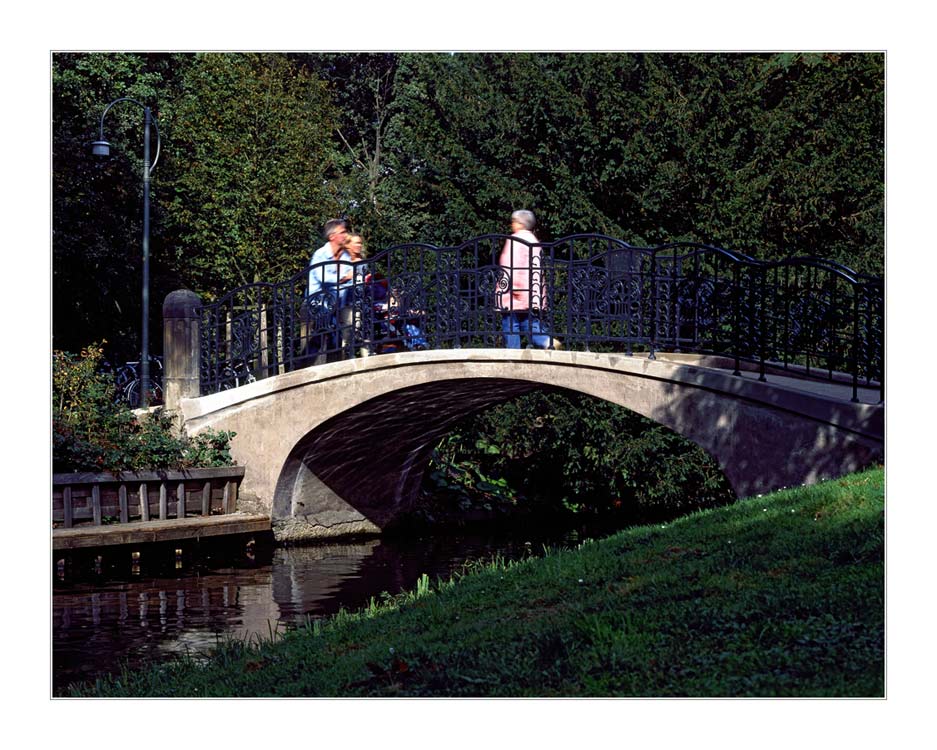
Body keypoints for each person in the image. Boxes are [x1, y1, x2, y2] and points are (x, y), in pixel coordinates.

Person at [496, 209, 558, 349]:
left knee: (510, 324)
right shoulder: (534, 241)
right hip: (531, 292)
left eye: (514, 221)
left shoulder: (515, 240)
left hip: (514, 291)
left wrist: (514, 286)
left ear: (520, 223)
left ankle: (514, 354)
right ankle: (546, 341)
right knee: (527, 321)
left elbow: (511, 264)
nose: (512, 224)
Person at [305, 219, 360, 362]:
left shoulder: (346, 256)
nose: (346, 235)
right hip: (317, 301)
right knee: (329, 330)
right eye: (342, 232)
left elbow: (352, 279)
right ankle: (301, 367)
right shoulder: (320, 254)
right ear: (332, 237)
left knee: (333, 335)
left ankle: (331, 367)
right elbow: (323, 276)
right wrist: (343, 277)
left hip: (336, 303)